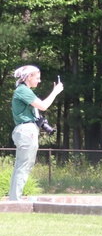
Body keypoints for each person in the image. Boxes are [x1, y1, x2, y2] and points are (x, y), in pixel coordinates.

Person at [8, 65, 62, 201]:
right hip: (26, 131)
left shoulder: (24, 91)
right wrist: (55, 92)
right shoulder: (23, 90)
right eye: (37, 78)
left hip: (25, 130)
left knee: (21, 165)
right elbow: (43, 106)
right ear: (29, 76)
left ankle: (14, 199)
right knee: (24, 165)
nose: (39, 81)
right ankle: (15, 201)